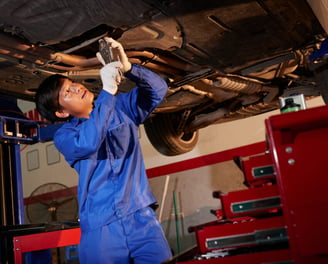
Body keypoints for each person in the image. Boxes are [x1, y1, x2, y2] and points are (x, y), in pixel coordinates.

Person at [35, 37, 172, 264]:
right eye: (67, 91)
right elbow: (89, 142)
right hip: (101, 227)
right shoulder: (65, 136)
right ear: (61, 112)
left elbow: (159, 89)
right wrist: (107, 92)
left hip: (140, 216)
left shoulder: (121, 107)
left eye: (72, 83)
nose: (77, 87)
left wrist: (129, 69)